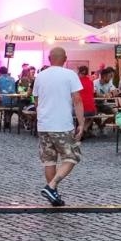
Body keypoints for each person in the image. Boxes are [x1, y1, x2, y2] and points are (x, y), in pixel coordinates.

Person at [33, 46, 84, 206]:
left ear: (49, 59)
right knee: (72, 156)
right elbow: (77, 99)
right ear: (65, 58)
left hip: (44, 124)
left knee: (49, 160)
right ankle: (51, 186)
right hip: (62, 123)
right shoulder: (70, 75)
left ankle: (53, 195)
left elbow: (36, 100)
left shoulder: (40, 76)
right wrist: (81, 123)